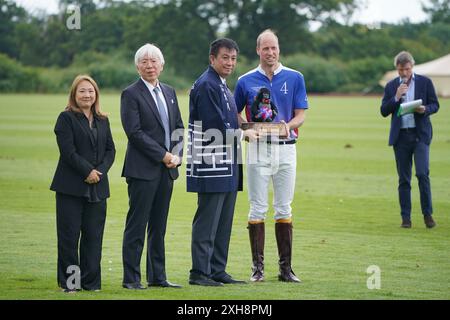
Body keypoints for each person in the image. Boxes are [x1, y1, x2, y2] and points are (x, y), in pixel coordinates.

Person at [234, 29, 309, 283]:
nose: (270, 52)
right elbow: (234, 114)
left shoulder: (295, 77)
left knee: (284, 207)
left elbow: (301, 114)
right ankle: (258, 269)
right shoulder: (245, 80)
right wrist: (246, 130)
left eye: (274, 48)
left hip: (287, 147)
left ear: (279, 49)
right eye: (265, 48)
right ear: (258, 50)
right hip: (257, 148)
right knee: (257, 207)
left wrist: (290, 124)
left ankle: (286, 269)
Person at [187, 38, 258, 286]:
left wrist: (253, 127)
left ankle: (217, 270)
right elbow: (212, 126)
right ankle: (200, 273)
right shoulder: (207, 85)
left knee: (223, 220)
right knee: (208, 220)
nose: (229, 63)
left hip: (227, 162)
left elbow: (231, 120)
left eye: (233, 58)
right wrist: (243, 134)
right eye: (225, 57)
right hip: (210, 163)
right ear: (212, 59)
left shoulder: (221, 85)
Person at [120, 43, 184, 289]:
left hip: (167, 170)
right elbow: (134, 132)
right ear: (137, 66)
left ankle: (158, 277)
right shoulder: (131, 94)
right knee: (137, 225)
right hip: (142, 170)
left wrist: (176, 155)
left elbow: (178, 126)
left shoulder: (169, 91)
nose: (150, 65)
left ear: (162, 65)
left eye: (154, 61)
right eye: (144, 62)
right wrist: (164, 155)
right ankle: (131, 278)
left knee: (159, 226)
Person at [50, 75, 116, 293]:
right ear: (74, 95)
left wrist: (99, 172)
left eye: (90, 91)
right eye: (82, 91)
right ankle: (71, 284)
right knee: (69, 238)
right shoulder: (65, 118)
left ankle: (91, 284)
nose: (87, 95)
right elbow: (68, 152)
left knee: (93, 237)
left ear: (96, 94)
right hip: (71, 187)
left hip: (98, 186)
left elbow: (110, 150)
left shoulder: (103, 120)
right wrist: (87, 171)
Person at [380, 51, 439, 229]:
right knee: (404, 179)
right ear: (396, 69)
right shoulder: (391, 86)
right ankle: (406, 218)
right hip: (401, 137)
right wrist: (396, 97)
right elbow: (384, 110)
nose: (404, 73)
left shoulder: (425, 82)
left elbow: (435, 104)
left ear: (412, 67)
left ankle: (428, 215)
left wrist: (424, 109)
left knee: (422, 174)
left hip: (420, 135)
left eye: (406, 69)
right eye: (400, 70)